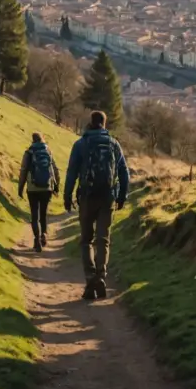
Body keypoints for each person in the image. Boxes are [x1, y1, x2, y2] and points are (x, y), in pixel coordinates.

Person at [64, 110, 129, 300]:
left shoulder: (81, 144)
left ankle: (90, 277)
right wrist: (122, 196)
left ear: (90, 123)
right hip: (108, 197)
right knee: (103, 240)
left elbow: (71, 172)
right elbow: (124, 172)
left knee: (86, 240)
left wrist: (67, 196)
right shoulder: (114, 144)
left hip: (87, 196)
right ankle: (101, 276)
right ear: (105, 123)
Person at [18, 132, 60, 252]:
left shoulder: (29, 152)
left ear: (32, 140)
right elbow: (55, 169)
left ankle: (37, 240)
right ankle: (44, 235)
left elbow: (23, 171)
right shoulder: (48, 151)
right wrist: (56, 186)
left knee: (34, 215)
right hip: (47, 187)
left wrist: (20, 188)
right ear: (42, 139)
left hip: (33, 188)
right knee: (43, 213)